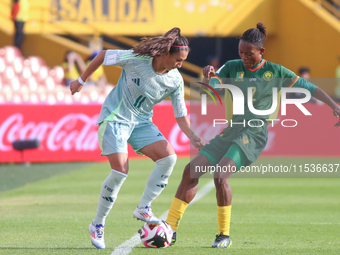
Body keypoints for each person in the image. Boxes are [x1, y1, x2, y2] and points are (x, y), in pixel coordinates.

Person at [166, 22, 340, 248]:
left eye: (249, 53)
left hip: (255, 133)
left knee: (220, 175)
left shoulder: (277, 71)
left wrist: (333, 105)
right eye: (241, 52)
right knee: (191, 170)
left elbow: (309, 87)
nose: (244, 57)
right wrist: (208, 77)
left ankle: (223, 235)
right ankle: (170, 228)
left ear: (262, 52)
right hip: (232, 130)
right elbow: (213, 88)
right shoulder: (232, 66)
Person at [69, 27, 205, 249]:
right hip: (115, 118)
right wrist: (81, 81)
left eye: (183, 61)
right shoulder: (137, 59)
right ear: (165, 54)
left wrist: (194, 138)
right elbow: (103, 55)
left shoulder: (175, 81)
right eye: (178, 60)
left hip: (141, 123)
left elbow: (181, 116)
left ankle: (144, 207)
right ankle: (98, 224)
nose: (180, 64)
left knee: (169, 158)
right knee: (120, 172)